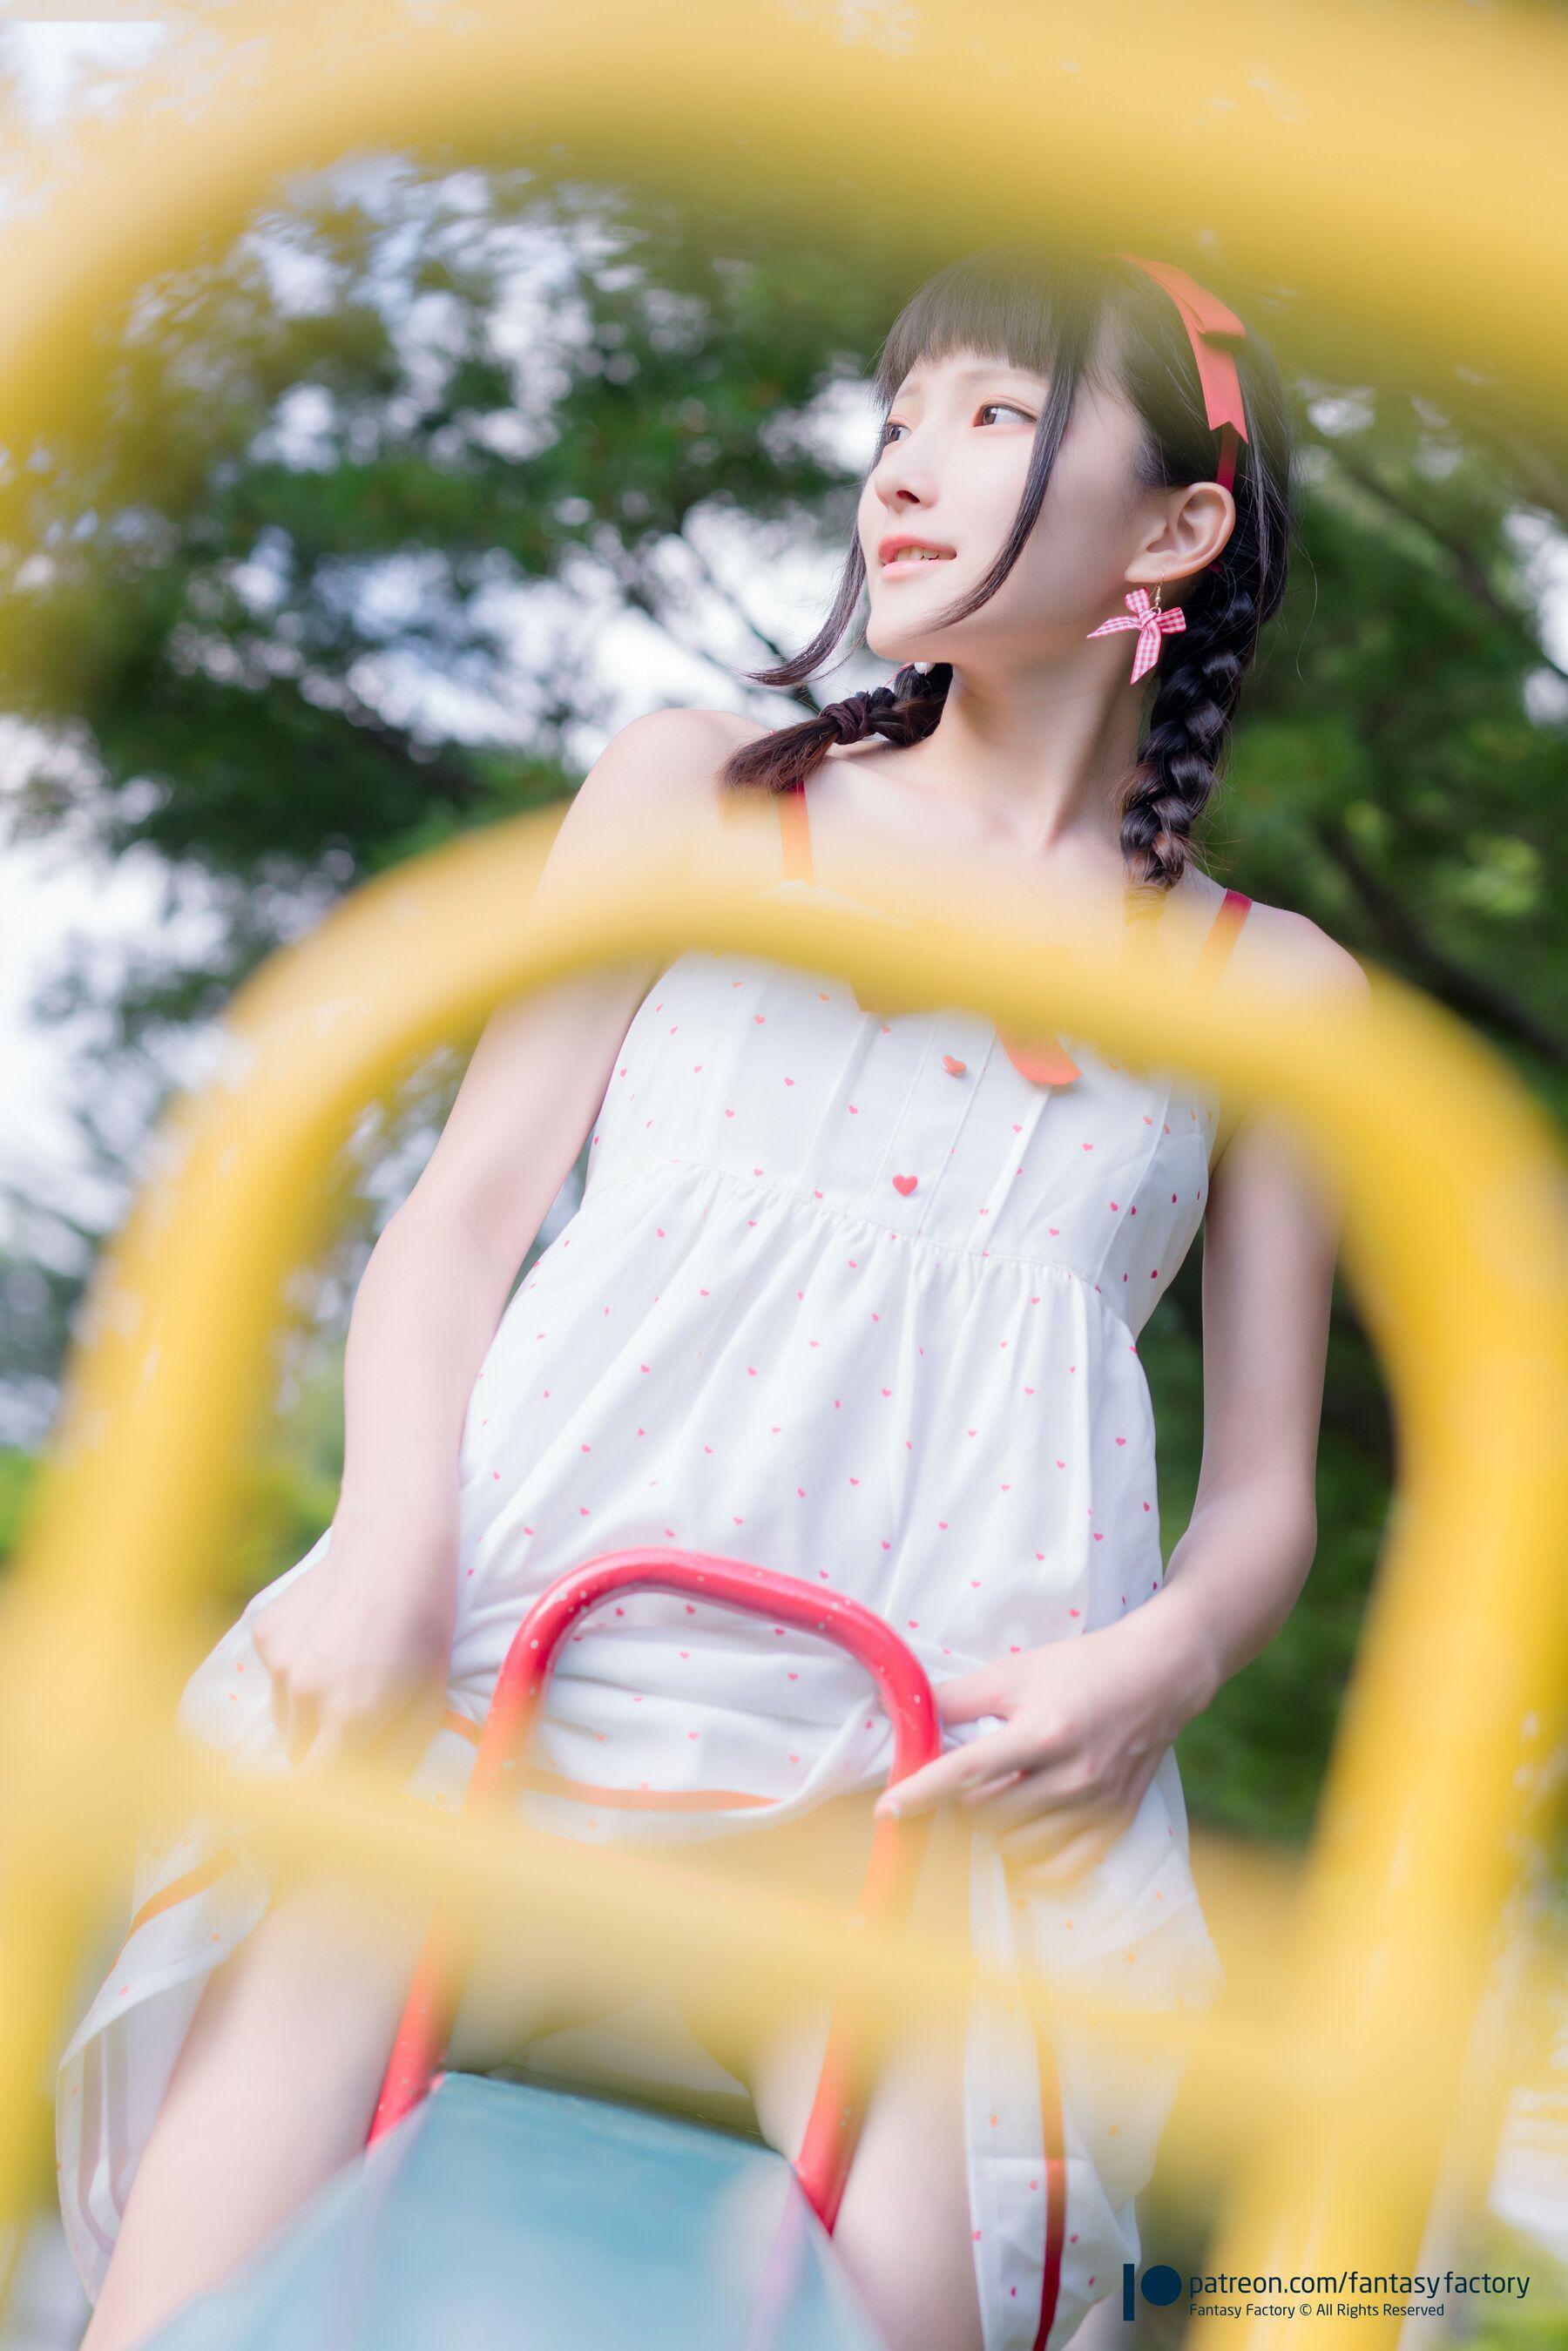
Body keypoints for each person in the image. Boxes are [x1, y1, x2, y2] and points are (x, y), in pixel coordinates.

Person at [57, 245, 1367, 2351]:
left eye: (996, 418)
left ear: (1176, 529)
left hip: (905, 1807)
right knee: (172, 2300)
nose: (903, 470)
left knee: (957, 2293)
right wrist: (384, 1541)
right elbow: (465, 1218)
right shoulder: (703, 791)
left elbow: (1266, 1499)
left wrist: (1159, 1664)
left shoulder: (1270, 989)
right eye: (896, 418)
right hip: (488, 1700)